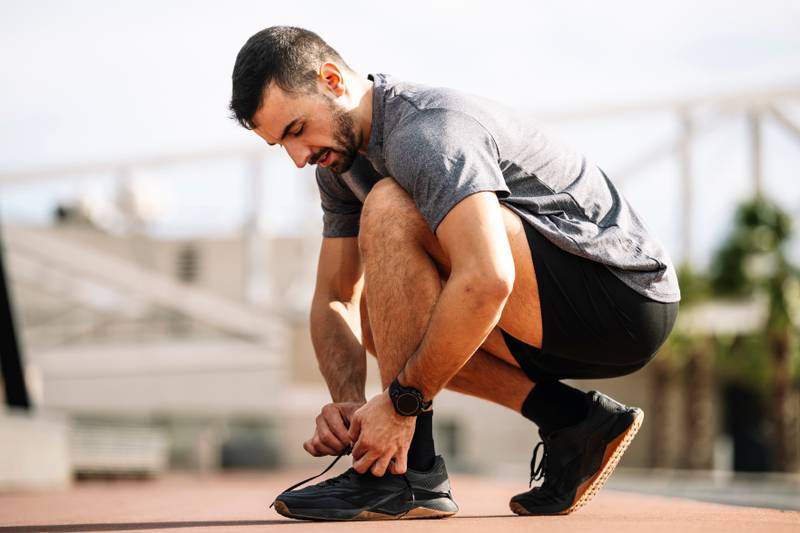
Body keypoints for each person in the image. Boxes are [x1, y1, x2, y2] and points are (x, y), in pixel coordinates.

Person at [229, 26, 680, 521]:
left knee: (390, 207)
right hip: (544, 316)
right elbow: (337, 297)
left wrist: (401, 404)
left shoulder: (426, 132)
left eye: (296, 130)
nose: (297, 157)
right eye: (280, 146)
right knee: (386, 321)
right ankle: (572, 420)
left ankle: (405, 475)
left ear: (333, 79)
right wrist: (353, 406)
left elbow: (488, 278)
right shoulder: (339, 166)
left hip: (623, 298)